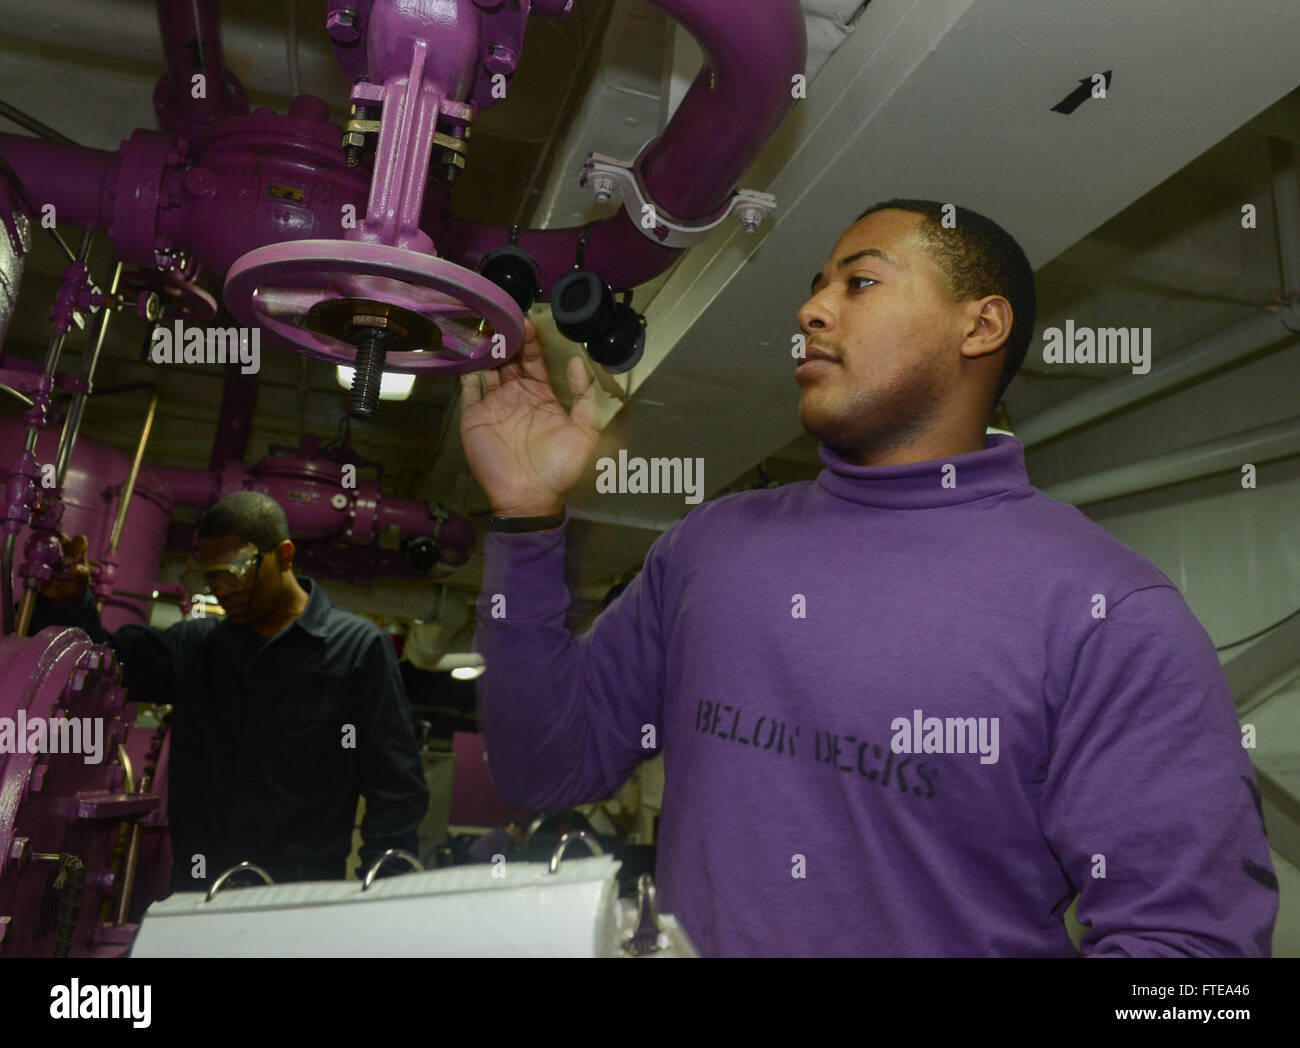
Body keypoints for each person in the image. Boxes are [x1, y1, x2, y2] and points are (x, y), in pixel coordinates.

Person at [460, 198, 1279, 957]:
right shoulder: (708, 547)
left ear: (981, 324)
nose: (811, 311)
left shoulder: (1107, 613)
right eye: (817, 289)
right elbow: (543, 770)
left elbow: (1197, 967)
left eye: (860, 283)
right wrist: (527, 521)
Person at [32, 490, 429, 893]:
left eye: (233, 573)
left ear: (285, 556)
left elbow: (395, 785)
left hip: (298, 896)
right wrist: (71, 604)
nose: (222, 589)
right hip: (200, 887)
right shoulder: (195, 648)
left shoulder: (357, 649)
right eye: (212, 576)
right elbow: (107, 666)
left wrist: (380, 891)